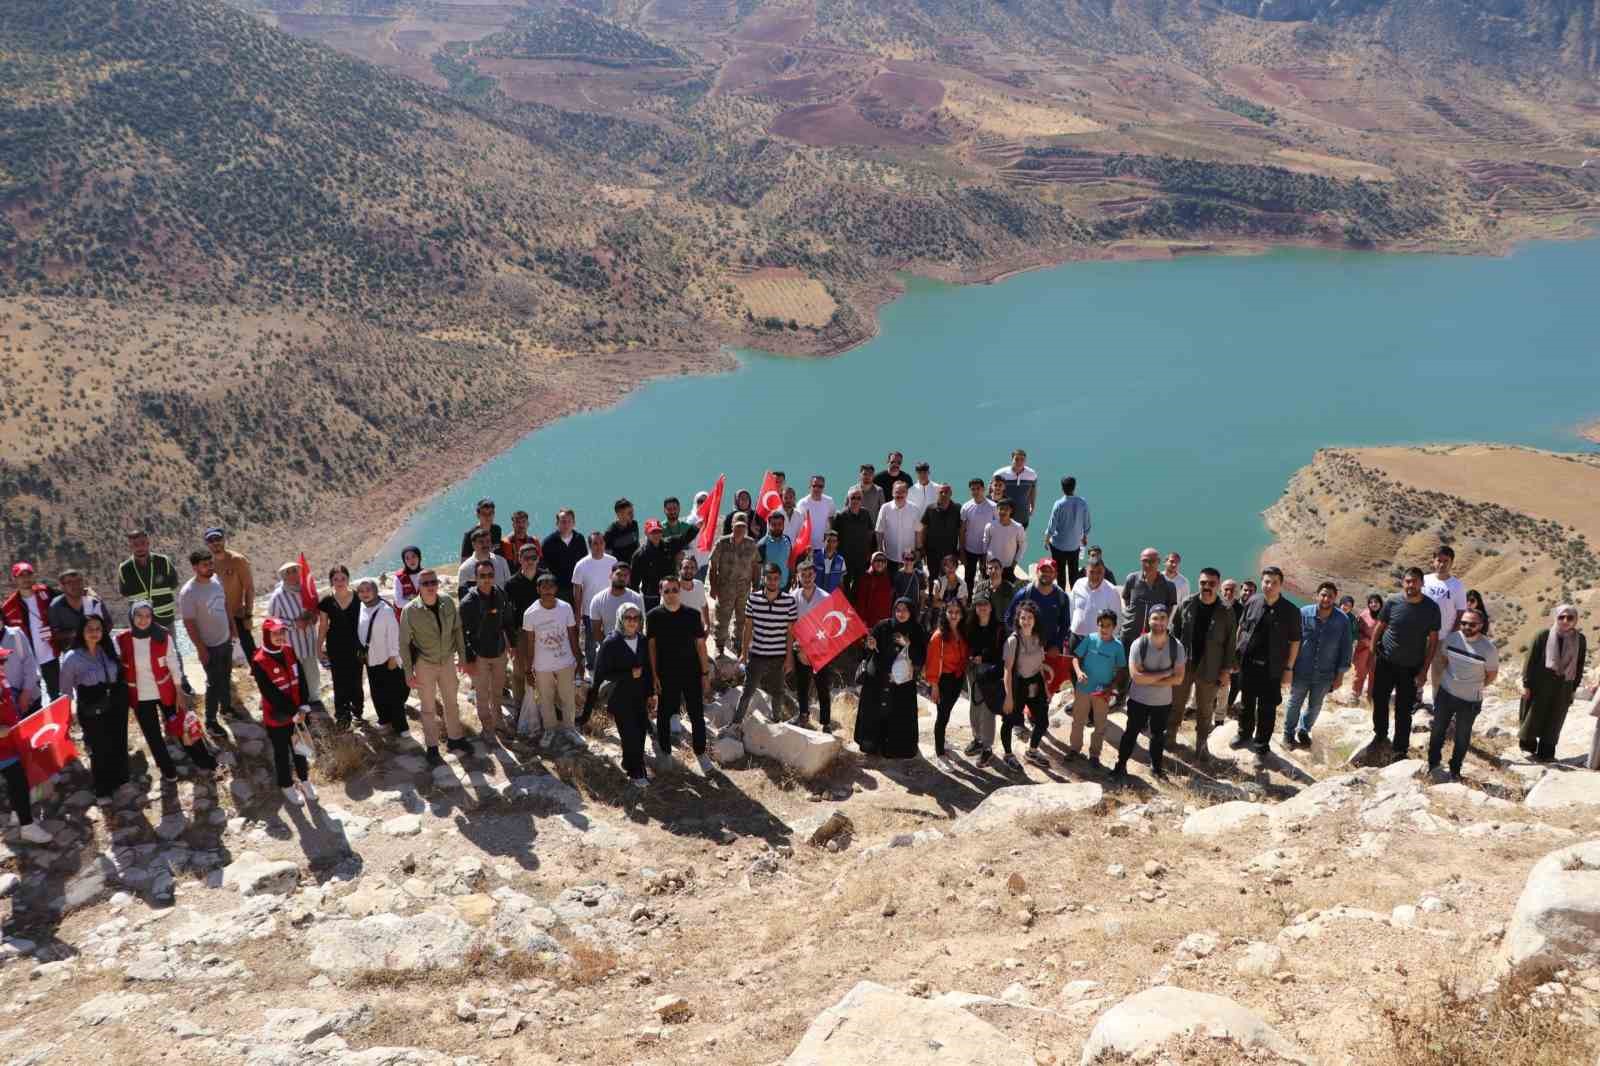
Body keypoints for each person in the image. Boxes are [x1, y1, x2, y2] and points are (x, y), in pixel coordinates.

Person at [117, 600, 214, 781]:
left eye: (147, 616)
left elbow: (173, 664)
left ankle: (204, 760)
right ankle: (167, 769)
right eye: (138, 615)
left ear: (152, 617)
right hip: (140, 697)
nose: (143, 620)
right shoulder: (122, 639)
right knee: (153, 736)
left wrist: (179, 691)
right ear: (131, 616)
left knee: (181, 727)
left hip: (166, 691)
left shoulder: (162, 635)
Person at [398, 569, 471, 767]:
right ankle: (432, 747)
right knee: (428, 707)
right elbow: (404, 643)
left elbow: (457, 630)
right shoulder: (410, 611)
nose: (430, 586)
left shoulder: (447, 602)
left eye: (433, 582)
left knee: (451, 702)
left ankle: (455, 738)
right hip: (425, 663)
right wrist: (407, 671)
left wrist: (462, 657)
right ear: (418, 587)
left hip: (447, 660)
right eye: (425, 583)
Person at [1369, 567, 1441, 760]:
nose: (1411, 585)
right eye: (1408, 581)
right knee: (1380, 698)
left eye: (1415, 581)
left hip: (1411, 667)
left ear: (1422, 583)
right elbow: (1380, 626)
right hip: (1386, 661)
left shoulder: (1432, 608)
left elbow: (1433, 641)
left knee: (1404, 708)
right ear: (1403, 583)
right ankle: (1380, 734)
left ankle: (1400, 748)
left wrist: (1424, 670)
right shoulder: (1392, 602)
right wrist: (1372, 649)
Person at [57, 614, 126, 806]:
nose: (94, 633)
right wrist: (67, 717)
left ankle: (116, 780)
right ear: (82, 632)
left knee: (113, 743)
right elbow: (65, 690)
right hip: (90, 709)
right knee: (98, 749)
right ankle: (102, 789)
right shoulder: (72, 658)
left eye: (98, 629)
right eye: (90, 629)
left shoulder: (107, 650)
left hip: (112, 705)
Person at [1112, 603, 1186, 781]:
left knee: (1158, 736)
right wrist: (1166, 673)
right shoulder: (1140, 644)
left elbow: (1179, 679)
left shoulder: (1177, 646)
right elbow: (1136, 677)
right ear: (1149, 620)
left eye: (1162, 618)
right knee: (1131, 733)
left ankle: (1156, 768)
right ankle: (1120, 765)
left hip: (1162, 702)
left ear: (1168, 621)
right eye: (1155, 618)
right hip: (1139, 699)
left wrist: (1150, 677)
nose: (1159, 622)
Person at [1232, 567, 1301, 755]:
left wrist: (1289, 669)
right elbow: (1242, 627)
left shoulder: (1290, 611)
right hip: (1248, 663)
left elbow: (1295, 641)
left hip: (1272, 668)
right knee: (1246, 702)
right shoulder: (1253, 601)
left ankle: (1261, 742)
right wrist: (1236, 654)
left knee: (1267, 707)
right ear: (1261, 582)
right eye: (1266, 582)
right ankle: (1244, 734)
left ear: (1281, 585)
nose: (1269, 586)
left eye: (1274, 583)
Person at [1170, 568, 1238, 759]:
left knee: (1205, 708)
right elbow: (1174, 633)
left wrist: (1225, 670)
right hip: (1185, 664)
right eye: (1203, 583)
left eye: (1211, 584)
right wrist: (1172, 661)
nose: (1206, 587)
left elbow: (1230, 642)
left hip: (1211, 666)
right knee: (1177, 704)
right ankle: (1170, 738)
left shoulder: (1226, 611)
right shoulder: (1187, 603)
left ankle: (1201, 746)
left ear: (1218, 584)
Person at [647, 576, 713, 770]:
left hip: (691, 673)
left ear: (680, 591)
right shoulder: (653, 616)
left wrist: (705, 674)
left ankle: (700, 753)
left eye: (674, 590)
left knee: (696, 714)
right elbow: (651, 648)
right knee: (664, 714)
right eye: (666, 591)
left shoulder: (692, 615)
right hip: (666, 675)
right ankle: (665, 752)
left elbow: (701, 646)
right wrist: (654, 675)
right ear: (661, 592)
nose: (671, 594)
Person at [250, 618, 317, 806]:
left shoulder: (289, 650)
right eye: (275, 633)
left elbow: (301, 679)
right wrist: (293, 711)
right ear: (266, 635)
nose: (280, 637)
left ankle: (305, 781)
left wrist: (304, 705)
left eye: (282, 633)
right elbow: (270, 693)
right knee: (282, 753)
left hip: (299, 713)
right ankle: (286, 785)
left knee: (301, 749)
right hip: (278, 717)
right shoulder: (259, 661)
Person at [1429, 608, 1497, 780]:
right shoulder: (1452, 639)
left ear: (1481, 626)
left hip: (1470, 700)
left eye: (1472, 624)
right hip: (1446, 693)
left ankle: (1455, 769)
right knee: (1437, 730)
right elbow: (1444, 660)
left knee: (1462, 736)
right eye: (1463, 623)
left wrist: (1474, 686)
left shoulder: (1488, 649)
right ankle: (1433, 764)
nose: (1466, 627)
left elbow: (1491, 674)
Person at [1283, 582, 1352, 748]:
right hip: (1301, 669)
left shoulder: (1342, 620)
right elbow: (1292, 641)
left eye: (1330, 596)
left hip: (1325, 673)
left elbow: (1346, 648)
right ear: (1317, 595)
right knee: (1294, 702)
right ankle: (1288, 734)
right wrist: (1288, 667)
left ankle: (1304, 730)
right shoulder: (1303, 613)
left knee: (1315, 706)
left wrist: (1340, 676)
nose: (1326, 598)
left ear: (1335, 598)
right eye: (1323, 594)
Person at [595, 602, 656, 788]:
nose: (631, 622)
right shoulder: (611, 642)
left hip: (639, 696)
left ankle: (629, 764)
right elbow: (602, 674)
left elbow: (648, 670)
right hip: (620, 698)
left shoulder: (643, 641)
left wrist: (651, 694)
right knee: (629, 734)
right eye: (628, 618)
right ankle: (637, 772)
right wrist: (628, 674)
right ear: (621, 619)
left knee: (639, 734)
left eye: (635, 618)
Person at [857, 597, 926, 758]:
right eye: (898, 610)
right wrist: (870, 645)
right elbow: (867, 650)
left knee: (898, 717)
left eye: (905, 610)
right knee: (876, 714)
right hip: (878, 680)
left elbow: (921, 658)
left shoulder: (916, 630)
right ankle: (872, 745)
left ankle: (896, 749)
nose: (901, 613)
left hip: (902, 683)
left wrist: (908, 644)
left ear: (911, 612)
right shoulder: (883, 626)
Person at [732, 564, 798, 731]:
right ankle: (735, 723)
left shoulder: (789, 601)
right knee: (748, 691)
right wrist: (744, 653)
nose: (773, 581)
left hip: (779, 656)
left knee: (778, 692)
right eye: (769, 578)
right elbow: (748, 628)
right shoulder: (753, 599)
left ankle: (776, 723)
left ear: (780, 579)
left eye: (776, 578)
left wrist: (789, 658)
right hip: (757, 655)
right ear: (763, 578)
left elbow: (790, 633)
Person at [521, 573, 584, 745]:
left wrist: (579, 659)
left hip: (565, 661)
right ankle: (549, 730)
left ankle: (570, 729)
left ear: (556, 589)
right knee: (545, 698)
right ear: (538, 589)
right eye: (544, 586)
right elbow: (529, 643)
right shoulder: (530, 613)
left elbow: (572, 635)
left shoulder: (566, 608)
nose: (548, 589)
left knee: (567, 697)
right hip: (542, 665)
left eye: (551, 586)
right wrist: (528, 669)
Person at [1519, 604, 1586, 762]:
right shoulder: (1543, 635)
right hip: (1539, 685)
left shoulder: (1580, 640)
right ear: (1555, 617)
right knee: (1533, 715)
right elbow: (1530, 661)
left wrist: (1573, 688)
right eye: (1561, 617)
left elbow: (1579, 665)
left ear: (1575, 620)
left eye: (1570, 618)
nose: (1565, 621)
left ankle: (1546, 752)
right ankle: (1528, 748)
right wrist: (1526, 684)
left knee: (1555, 719)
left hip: (1564, 685)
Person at [179, 549, 234, 734]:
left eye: (211, 563)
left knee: (226, 676)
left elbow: (224, 604)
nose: (210, 567)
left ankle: (226, 708)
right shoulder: (189, 592)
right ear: (195, 567)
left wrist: (232, 627)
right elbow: (189, 623)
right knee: (214, 682)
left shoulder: (216, 579)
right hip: (210, 646)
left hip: (225, 639)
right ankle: (210, 721)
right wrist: (201, 649)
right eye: (205, 564)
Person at [0, 649, 50, 843]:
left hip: (13, 742)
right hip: (3, 750)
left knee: (18, 782)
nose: (3, 664)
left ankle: (16, 813)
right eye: (0, 661)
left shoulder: (2, 678)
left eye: (4, 660)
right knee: (18, 782)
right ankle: (27, 826)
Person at [459, 559, 513, 739]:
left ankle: (498, 721)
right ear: (476, 577)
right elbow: (461, 632)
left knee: (497, 691)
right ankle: (487, 726)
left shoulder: (500, 594)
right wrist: (468, 658)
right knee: (482, 693)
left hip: (499, 650)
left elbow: (507, 621)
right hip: (479, 653)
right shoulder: (468, 602)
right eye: (482, 576)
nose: (487, 579)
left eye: (490, 575)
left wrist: (511, 643)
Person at [587, 563, 645, 721]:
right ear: (611, 575)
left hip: (631, 648)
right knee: (597, 683)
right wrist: (609, 648)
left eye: (626, 575)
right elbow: (596, 630)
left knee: (633, 682)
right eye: (619, 574)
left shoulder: (636, 598)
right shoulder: (598, 599)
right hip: (607, 647)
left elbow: (639, 626)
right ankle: (588, 716)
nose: (622, 578)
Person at [1070, 609, 1126, 766]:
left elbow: (1122, 669)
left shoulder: (1118, 646)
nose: (1104, 629)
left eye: (1108, 625)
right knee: (1078, 721)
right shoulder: (1090, 639)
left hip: (1102, 692)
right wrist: (1079, 672)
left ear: (1114, 626)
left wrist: (1111, 687)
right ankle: (1074, 750)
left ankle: (1094, 755)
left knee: (1100, 724)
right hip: (1083, 688)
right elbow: (1076, 658)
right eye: (1101, 625)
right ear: (1097, 625)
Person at [1000, 600, 1050, 770]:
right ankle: (1007, 754)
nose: (1026, 621)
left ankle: (1032, 751)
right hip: (1018, 685)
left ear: (1035, 620)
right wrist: (1008, 697)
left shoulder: (1038, 638)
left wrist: (1047, 689)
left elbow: (1040, 666)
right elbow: (1007, 670)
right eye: (1023, 618)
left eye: (1029, 617)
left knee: (1042, 721)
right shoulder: (1013, 641)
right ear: (1018, 619)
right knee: (1009, 721)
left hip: (1035, 683)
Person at [268, 562, 324, 713]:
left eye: (295, 571)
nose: (293, 575)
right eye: (288, 572)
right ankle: (300, 701)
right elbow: (273, 621)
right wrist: (293, 624)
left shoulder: (306, 590)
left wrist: (314, 617)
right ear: (283, 576)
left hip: (309, 640)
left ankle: (314, 699)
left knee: (312, 671)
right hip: (292, 643)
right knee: (296, 674)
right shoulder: (278, 597)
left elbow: (315, 609)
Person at [356, 577, 407, 737]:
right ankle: (384, 720)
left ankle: (401, 726)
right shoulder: (361, 607)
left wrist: (393, 656)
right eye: (361, 591)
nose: (365, 594)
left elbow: (394, 634)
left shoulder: (385, 609)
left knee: (394, 693)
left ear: (375, 591)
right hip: (370, 659)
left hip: (387, 659)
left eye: (368, 590)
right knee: (377, 692)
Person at [317, 565, 366, 727]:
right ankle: (342, 714)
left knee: (356, 679)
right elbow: (323, 625)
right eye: (335, 579)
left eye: (342, 578)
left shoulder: (359, 597)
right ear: (331, 581)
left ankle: (357, 710)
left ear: (348, 579)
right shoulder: (327, 601)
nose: (339, 582)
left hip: (356, 646)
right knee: (339, 680)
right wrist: (319, 647)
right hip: (335, 646)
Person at [3, 563, 60, 698]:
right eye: (21, 576)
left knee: (57, 695)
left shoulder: (45, 592)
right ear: (14, 579)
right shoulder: (9, 607)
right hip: (28, 662)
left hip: (50, 656)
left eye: (28, 574)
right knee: (34, 700)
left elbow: (65, 601)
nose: (25, 578)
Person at [789, 561, 833, 731]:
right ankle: (803, 715)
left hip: (820, 649)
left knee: (822, 686)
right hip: (799, 649)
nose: (807, 578)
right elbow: (791, 624)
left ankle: (826, 722)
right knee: (802, 684)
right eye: (803, 575)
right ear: (798, 576)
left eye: (810, 575)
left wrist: (810, 649)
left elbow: (827, 627)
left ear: (815, 575)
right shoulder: (792, 596)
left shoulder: (825, 597)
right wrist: (800, 649)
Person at [1421, 546, 1467, 705]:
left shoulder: (1457, 586)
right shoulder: (1425, 580)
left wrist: (1452, 635)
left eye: (1446, 561)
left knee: (1439, 674)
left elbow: (1461, 613)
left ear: (1452, 563)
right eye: (1439, 560)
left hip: (1443, 637)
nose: (1442, 564)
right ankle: (1414, 700)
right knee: (1416, 669)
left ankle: (1437, 705)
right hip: (1421, 635)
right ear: (1433, 561)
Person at [1117, 549, 1177, 671]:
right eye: (1145, 561)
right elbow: (1125, 597)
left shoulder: (1169, 586)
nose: (1148, 565)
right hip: (1129, 632)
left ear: (1159, 562)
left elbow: (1170, 607)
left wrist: (1162, 623)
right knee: (1123, 668)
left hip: (1154, 636)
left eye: (1152, 561)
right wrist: (1130, 614)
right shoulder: (1132, 579)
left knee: (1148, 668)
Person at [925, 600, 969, 766]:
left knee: (947, 712)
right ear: (945, 613)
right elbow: (932, 663)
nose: (954, 615)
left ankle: (942, 741)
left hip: (957, 678)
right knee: (942, 716)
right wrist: (934, 686)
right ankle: (940, 752)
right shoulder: (938, 637)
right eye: (950, 611)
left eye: (957, 612)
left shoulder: (962, 632)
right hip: (944, 681)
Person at [962, 595, 1004, 767]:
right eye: (979, 605)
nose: (982, 608)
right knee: (974, 704)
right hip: (972, 670)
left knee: (987, 709)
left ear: (991, 607)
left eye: (985, 604)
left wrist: (984, 657)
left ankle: (987, 747)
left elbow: (1002, 652)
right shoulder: (970, 626)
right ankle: (977, 739)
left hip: (989, 672)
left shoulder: (999, 628)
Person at [708, 517, 758, 655]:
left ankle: (738, 644)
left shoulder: (751, 543)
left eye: (743, 527)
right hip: (725, 588)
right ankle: (719, 646)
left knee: (742, 618)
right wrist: (713, 587)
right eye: (737, 526)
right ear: (732, 526)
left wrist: (756, 585)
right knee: (722, 618)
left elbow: (756, 565)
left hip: (744, 589)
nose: (740, 529)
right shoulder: (722, 543)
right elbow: (713, 566)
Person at [205, 529, 256, 656]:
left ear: (224, 540)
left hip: (238, 616)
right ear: (207, 544)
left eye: (218, 539)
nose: (215, 543)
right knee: (223, 658)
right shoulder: (207, 564)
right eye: (211, 540)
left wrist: (248, 615)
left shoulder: (238, 560)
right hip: (218, 619)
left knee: (252, 654)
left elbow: (249, 588)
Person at [570, 531, 618, 669]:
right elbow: (577, 592)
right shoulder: (581, 565)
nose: (598, 546)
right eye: (595, 543)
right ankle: (591, 667)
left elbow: (617, 584)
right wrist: (577, 615)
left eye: (601, 543)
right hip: (589, 611)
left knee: (611, 637)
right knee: (591, 641)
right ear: (590, 546)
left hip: (610, 608)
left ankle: (611, 664)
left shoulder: (613, 561)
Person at [503, 543, 542, 711]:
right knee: (519, 671)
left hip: (543, 631)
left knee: (544, 670)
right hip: (521, 633)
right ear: (519, 559)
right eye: (526, 558)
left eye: (534, 558)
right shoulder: (511, 584)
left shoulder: (545, 579)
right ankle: (520, 708)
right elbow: (507, 616)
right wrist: (510, 642)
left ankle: (544, 706)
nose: (530, 561)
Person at [1006, 558, 1070, 657]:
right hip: (1026, 650)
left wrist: (1057, 645)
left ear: (1056, 574)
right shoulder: (1024, 594)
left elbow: (1065, 624)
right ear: (1037, 571)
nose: (1046, 574)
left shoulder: (1062, 597)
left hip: (1050, 650)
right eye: (1043, 570)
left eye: (1050, 571)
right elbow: (1009, 618)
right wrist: (1019, 639)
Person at [118, 529, 179, 629]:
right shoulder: (124, 568)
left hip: (165, 619)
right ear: (130, 546)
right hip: (140, 623)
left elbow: (174, 584)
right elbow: (124, 592)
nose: (140, 547)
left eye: (142, 543)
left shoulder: (163, 561)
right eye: (135, 544)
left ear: (148, 543)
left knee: (170, 645)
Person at [49, 570, 113, 658]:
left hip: (99, 650)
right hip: (73, 655)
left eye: (79, 581)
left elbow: (108, 624)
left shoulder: (94, 601)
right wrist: (78, 633)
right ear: (62, 586)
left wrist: (95, 635)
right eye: (70, 582)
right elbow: (54, 634)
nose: (75, 585)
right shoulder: (56, 606)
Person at [1044, 477, 1091, 587]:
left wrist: (1046, 540)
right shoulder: (1082, 503)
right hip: (1074, 546)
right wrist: (1084, 536)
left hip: (1058, 546)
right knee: (1073, 572)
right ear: (1074, 487)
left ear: (1062, 488)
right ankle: (1074, 594)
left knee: (1060, 573)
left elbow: (1051, 526)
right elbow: (1087, 524)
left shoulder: (1058, 504)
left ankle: (1062, 595)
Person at [1069, 555, 1122, 643]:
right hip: (1075, 637)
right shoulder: (1078, 584)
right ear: (1086, 571)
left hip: (1097, 641)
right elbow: (1071, 608)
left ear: (1104, 572)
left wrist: (1108, 640)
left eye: (1099, 572)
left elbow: (1117, 620)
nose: (1095, 576)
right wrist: (1071, 628)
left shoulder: (1112, 591)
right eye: (1092, 572)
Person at [830, 488, 875, 592]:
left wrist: (870, 551)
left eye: (858, 498)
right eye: (853, 497)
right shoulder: (840, 515)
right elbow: (833, 537)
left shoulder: (866, 514)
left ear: (862, 500)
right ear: (848, 499)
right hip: (845, 558)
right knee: (844, 586)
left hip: (861, 557)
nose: (856, 500)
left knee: (859, 586)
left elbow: (870, 533)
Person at [540, 509, 586, 608]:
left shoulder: (580, 539)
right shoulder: (548, 543)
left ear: (574, 523)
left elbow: (584, 563)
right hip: (558, 589)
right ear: (557, 523)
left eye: (569, 521)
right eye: (563, 521)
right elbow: (544, 567)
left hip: (577, 587)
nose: (566, 524)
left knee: (577, 617)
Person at [919, 482, 962, 588]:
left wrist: (961, 549)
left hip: (950, 551)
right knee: (933, 576)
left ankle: (946, 599)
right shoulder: (930, 509)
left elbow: (960, 530)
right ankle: (931, 598)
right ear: (937, 494)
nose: (943, 494)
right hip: (932, 551)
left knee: (948, 576)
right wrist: (922, 547)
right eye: (941, 492)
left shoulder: (957, 509)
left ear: (951, 493)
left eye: (946, 492)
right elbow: (923, 529)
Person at [959, 478, 997, 590]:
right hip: (970, 549)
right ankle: (969, 601)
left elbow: (997, 528)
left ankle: (985, 602)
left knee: (987, 576)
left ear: (984, 489)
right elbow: (962, 530)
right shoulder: (966, 507)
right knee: (969, 578)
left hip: (987, 550)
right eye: (973, 489)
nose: (975, 491)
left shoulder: (993, 507)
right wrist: (961, 550)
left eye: (978, 489)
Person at [631, 520, 676, 611]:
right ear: (646, 533)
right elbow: (634, 582)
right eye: (653, 532)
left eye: (658, 531)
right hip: (650, 597)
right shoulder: (639, 554)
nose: (656, 535)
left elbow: (684, 538)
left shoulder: (668, 547)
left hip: (670, 593)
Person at [876, 482, 919, 576]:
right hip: (890, 557)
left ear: (907, 493)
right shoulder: (885, 508)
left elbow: (918, 532)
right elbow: (879, 530)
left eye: (903, 492)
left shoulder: (914, 509)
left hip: (909, 558)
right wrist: (879, 549)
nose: (899, 494)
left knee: (907, 587)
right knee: (891, 586)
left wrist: (918, 551)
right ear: (892, 493)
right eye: (897, 492)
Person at [1349, 592, 1382, 703]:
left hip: (1378, 650)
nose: (1373, 604)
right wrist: (1365, 640)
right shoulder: (1363, 615)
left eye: (1376, 602)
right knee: (1360, 673)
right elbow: (1356, 631)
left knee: (1375, 674)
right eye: (1371, 602)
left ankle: (1370, 698)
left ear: (1381, 604)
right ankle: (1355, 696)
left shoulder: (1385, 615)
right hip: (1363, 648)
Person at [1, 621, 40, 716]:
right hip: (6, 708)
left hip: (30, 699)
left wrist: (25, 695)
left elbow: (30, 665)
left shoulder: (16, 634)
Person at [993, 449, 1038, 529]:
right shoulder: (1000, 474)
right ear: (1012, 459)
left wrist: (1033, 506)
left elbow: (1033, 490)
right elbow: (992, 492)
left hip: (1023, 515)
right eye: (1016, 459)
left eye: (1022, 460)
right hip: (1004, 514)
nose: (1019, 462)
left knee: (1019, 539)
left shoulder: (1032, 474)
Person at [456, 529, 511, 593]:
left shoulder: (501, 562)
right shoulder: (465, 569)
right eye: (481, 542)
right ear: (473, 545)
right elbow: (463, 595)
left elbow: (508, 587)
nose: (485, 545)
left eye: (488, 541)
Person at [983, 499, 1027, 578]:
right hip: (991, 566)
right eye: (1001, 509)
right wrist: (985, 561)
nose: (1003, 511)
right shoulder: (990, 525)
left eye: (1006, 509)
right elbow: (985, 543)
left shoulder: (1018, 527)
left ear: (1011, 511)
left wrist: (1014, 563)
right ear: (997, 510)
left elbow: (1022, 546)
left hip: (1008, 566)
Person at [852, 551, 894, 629]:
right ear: (872, 562)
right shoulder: (866, 578)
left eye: (883, 561)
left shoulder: (888, 578)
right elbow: (861, 602)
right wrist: (862, 620)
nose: (880, 563)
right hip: (869, 622)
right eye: (877, 560)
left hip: (885, 621)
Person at [675, 553, 711, 634]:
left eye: (692, 568)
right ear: (679, 569)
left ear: (696, 570)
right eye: (686, 568)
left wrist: (707, 625)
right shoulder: (672, 588)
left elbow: (704, 605)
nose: (689, 571)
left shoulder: (699, 585)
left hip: (697, 630)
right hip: (678, 632)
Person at [756, 510, 794, 588]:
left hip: (785, 586)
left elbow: (789, 561)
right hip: (768, 587)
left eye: (779, 524)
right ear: (769, 525)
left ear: (783, 525)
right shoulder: (762, 544)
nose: (777, 527)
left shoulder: (787, 540)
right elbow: (756, 569)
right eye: (773, 524)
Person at [796, 476, 835, 548]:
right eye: (814, 486)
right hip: (807, 547)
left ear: (823, 487)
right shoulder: (802, 503)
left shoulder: (829, 501)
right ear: (809, 486)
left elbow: (831, 520)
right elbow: (798, 525)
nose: (817, 489)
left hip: (824, 547)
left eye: (820, 486)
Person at [605, 498, 641, 568]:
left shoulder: (634, 525)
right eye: (629, 513)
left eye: (632, 512)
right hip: (620, 571)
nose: (632, 515)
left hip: (634, 567)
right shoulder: (610, 532)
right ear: (620, 514)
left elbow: (637, 545)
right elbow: (607, 557)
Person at [393, 546, 424, 610]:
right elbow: (398, 603)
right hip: (406, 615)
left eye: (413, 556)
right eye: (407, 558)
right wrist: (418, 602)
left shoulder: (425, 574)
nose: (411, 560)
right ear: (404, 561)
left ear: (419, 557)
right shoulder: (399, 577)